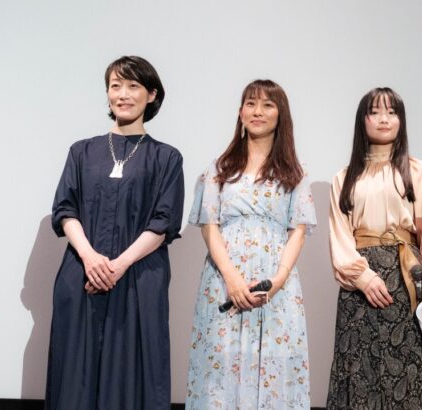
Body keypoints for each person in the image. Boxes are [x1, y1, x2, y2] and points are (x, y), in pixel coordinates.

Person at [46, 56, 184, 410]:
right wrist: (91, 259)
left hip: (139, 277)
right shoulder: (81, 151)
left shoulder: (167, 158)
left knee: (133, 375)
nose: (123, 94)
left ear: (151, 94)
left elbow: (164, 222)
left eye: (133, 86)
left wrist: (118, 266)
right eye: (115, 86)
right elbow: (65, 209)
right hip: (82, 272)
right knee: (75, 374)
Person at [186, 79, 316, 409]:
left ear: (281, 114)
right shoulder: (218, 169)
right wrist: (232, 279)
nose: (258, 111)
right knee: (219, 369)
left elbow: (298, 231)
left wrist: (278, 280)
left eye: (267, 105)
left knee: (275, 368)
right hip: (223, 281)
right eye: (251, 103)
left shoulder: (296, 172)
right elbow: (209, 228)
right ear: (240, 112)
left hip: (276, 286)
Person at [326, 87, 422, 409]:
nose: (384, 119)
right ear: (362, 120)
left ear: (401, 120)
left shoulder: (420, 171)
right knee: (358, 369)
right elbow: (340, 236)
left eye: (392, 112)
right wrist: (363, 278)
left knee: (405, 370)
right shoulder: (344, 177)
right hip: (359, 286)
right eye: (375, 112)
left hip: (405, 279)